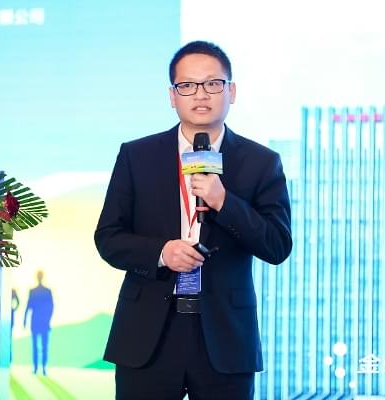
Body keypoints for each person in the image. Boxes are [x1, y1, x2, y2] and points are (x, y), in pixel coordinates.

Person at [94, 40, 292, 400]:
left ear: (231, 91)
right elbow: (108, 237)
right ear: (172, 96)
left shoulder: (261, 162)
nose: (201, 94)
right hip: (148, 334)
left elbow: (277, 245)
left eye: (213, 83)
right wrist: (161, 253)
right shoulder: (137, 156)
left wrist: (223, 201)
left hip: (225, 337)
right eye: (187, 85)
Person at [23, 270, 54, 376]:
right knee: (43, 346)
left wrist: (25, 320)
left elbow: (28, 307)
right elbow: (51, 307)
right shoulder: (45, 291)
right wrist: (48, 319)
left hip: (37, 322)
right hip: (42, 322)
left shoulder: (34, 291)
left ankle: (39, 368)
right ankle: (41, 368)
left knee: (38, 347)